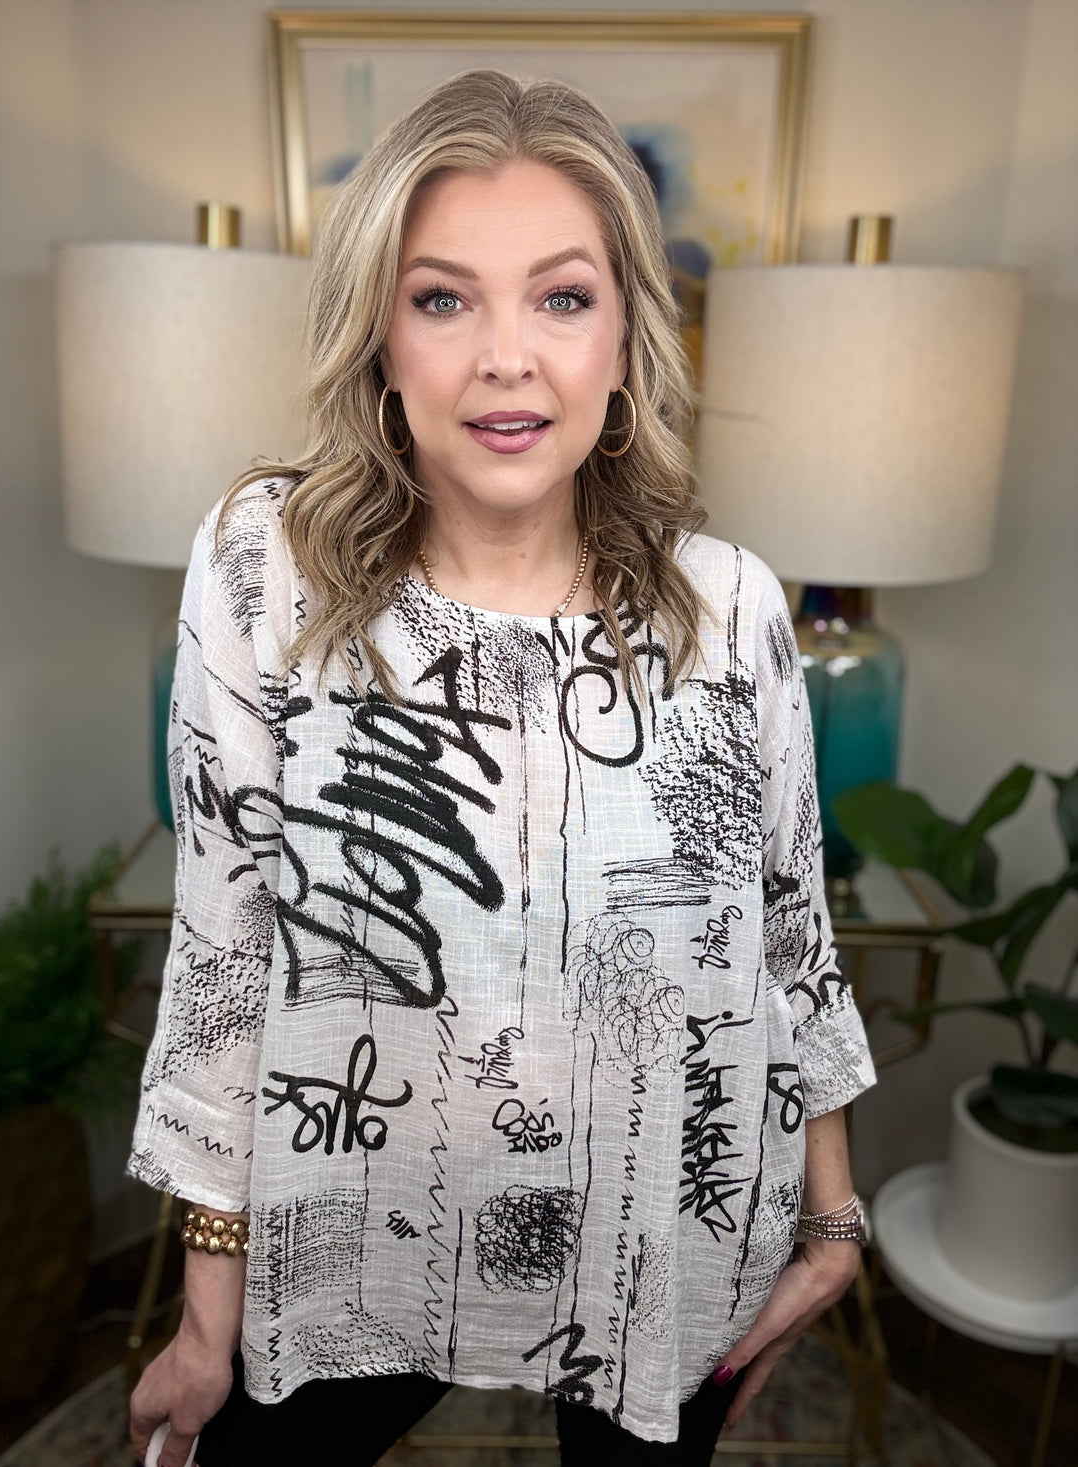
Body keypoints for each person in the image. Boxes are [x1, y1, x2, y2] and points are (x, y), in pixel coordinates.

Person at [126, 69, 876, 1467]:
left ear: (628, 345)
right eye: (444, 296)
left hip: (669, 1231)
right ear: (382, 343)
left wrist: (831, 1223)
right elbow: (225, 949)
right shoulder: (266, 570)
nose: (507, 359)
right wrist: (206, 1310)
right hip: (348, 1236)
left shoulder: (729, 612)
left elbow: (792, 930)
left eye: (564, 297)